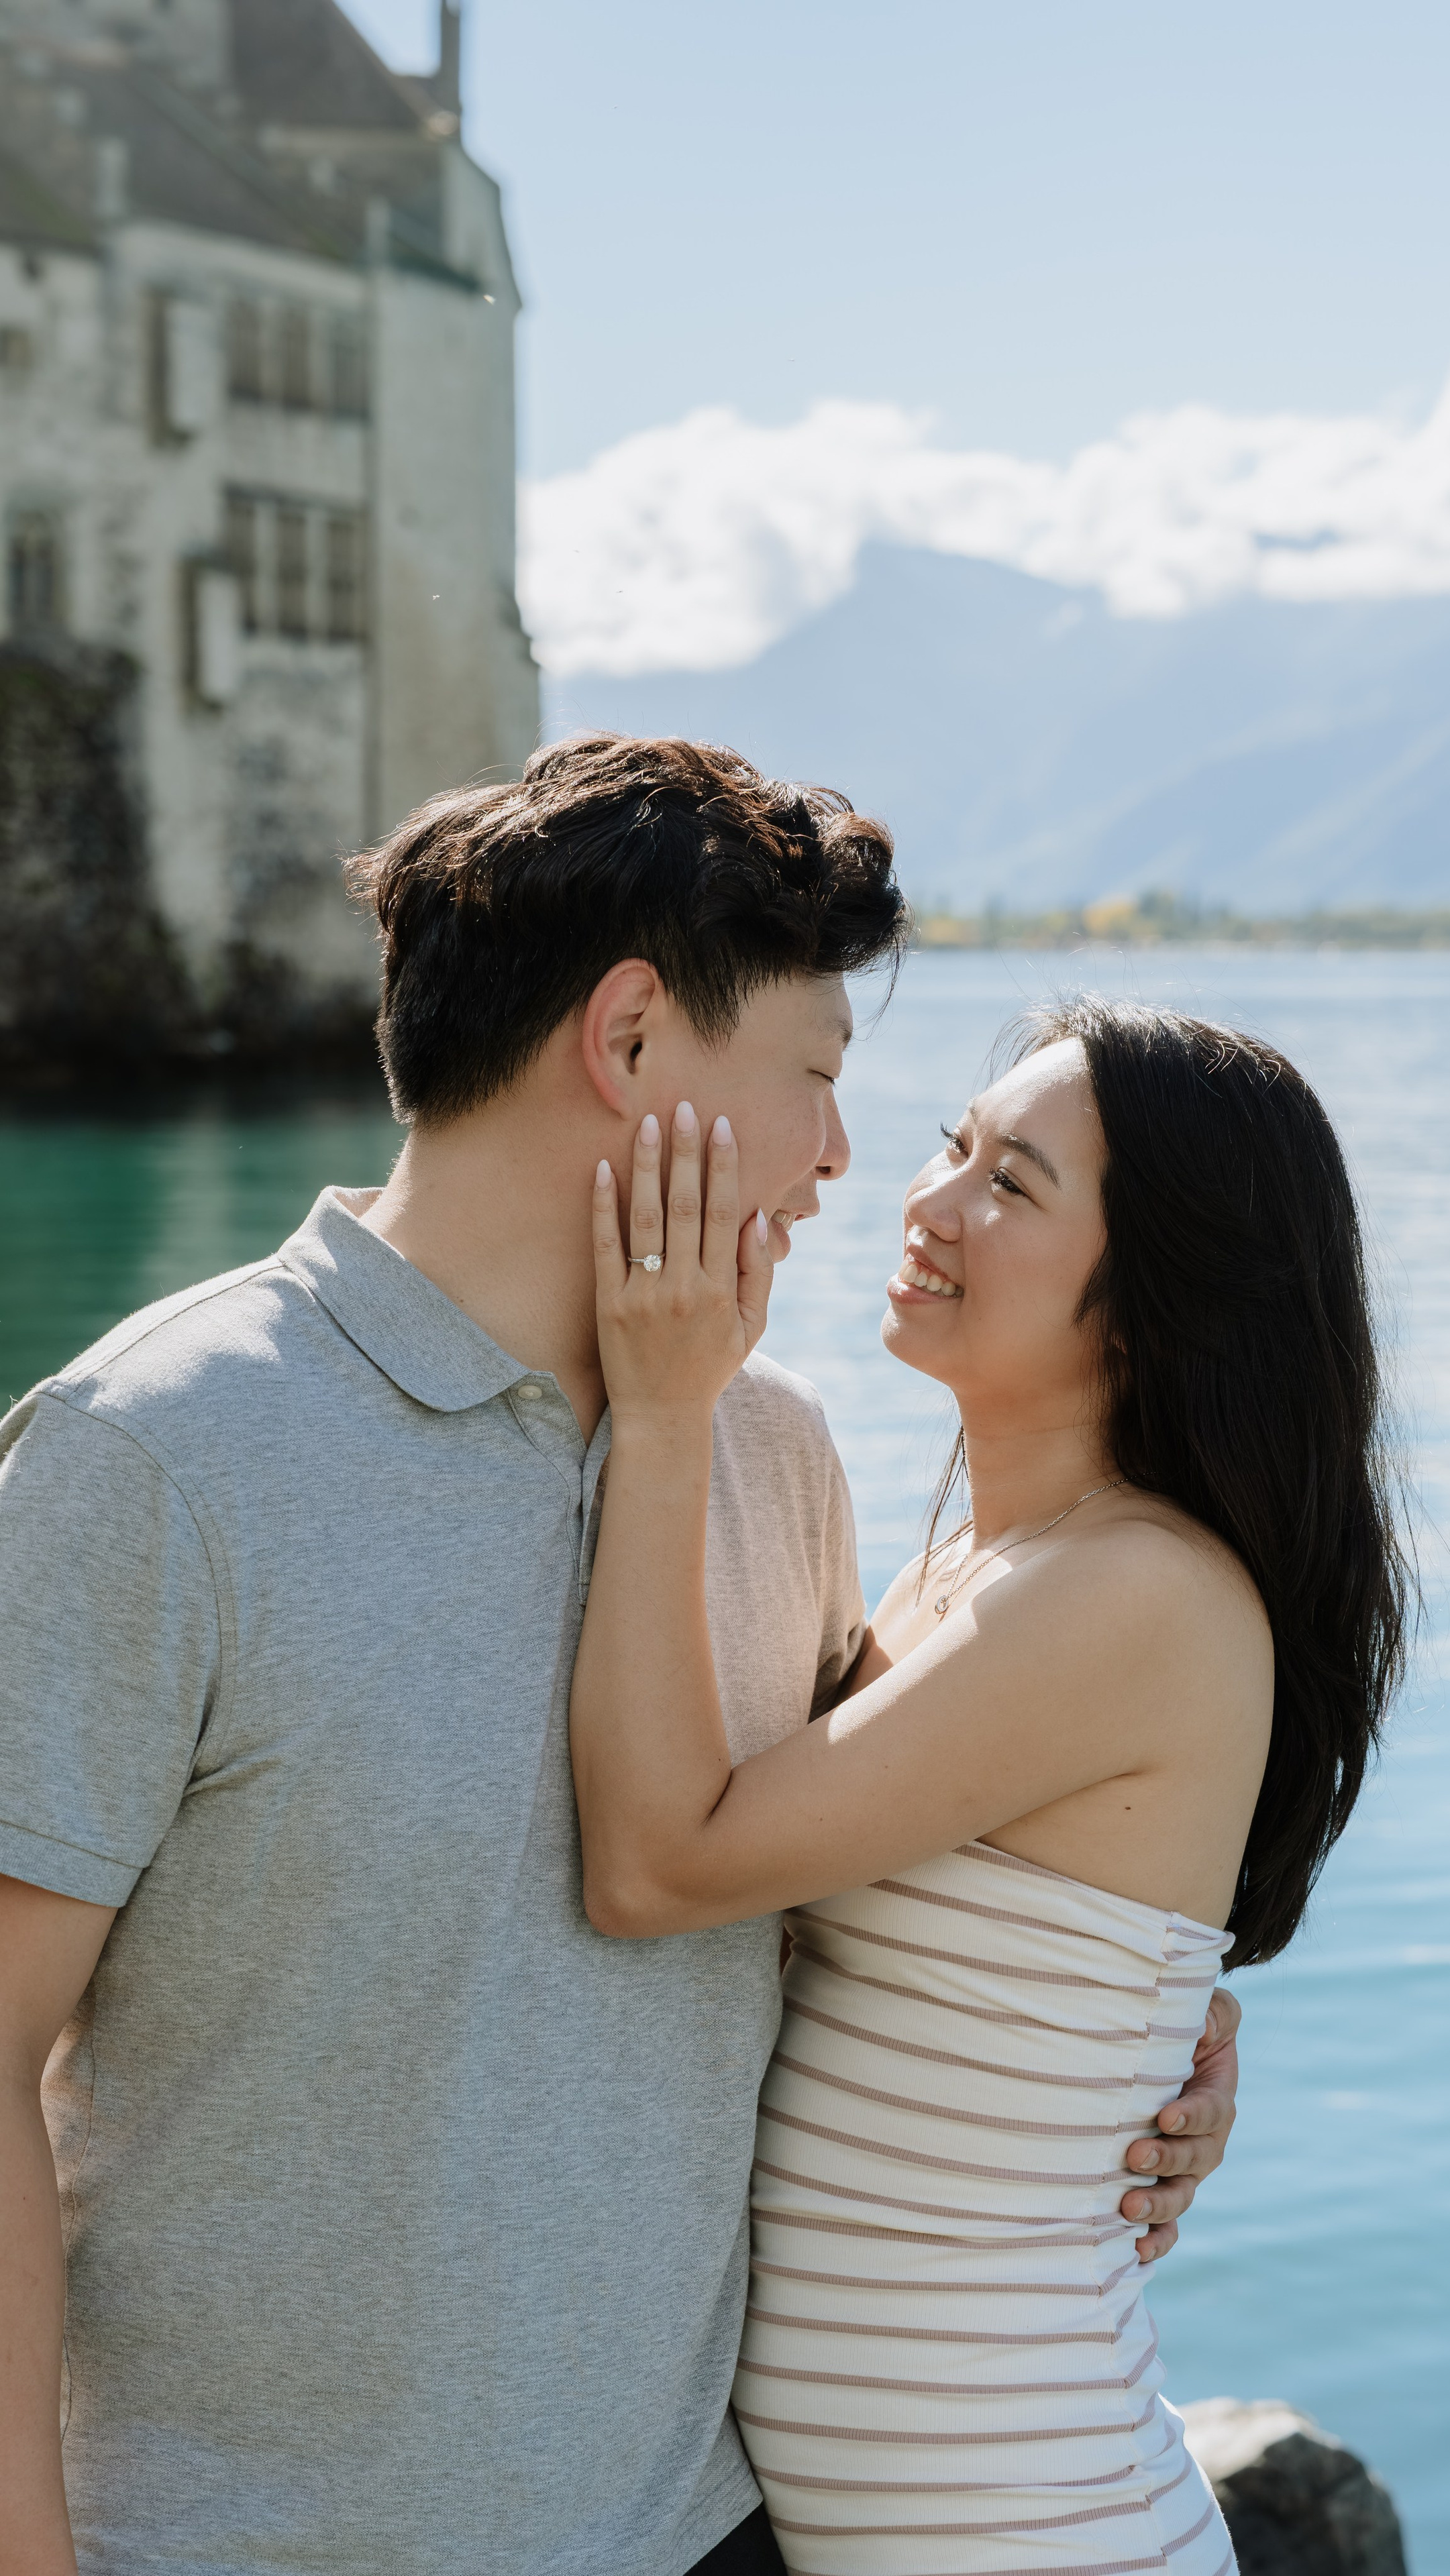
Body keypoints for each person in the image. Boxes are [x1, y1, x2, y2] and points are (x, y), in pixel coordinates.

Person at [0, 737, 1239, 2576]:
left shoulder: (771, 1450)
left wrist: (1129, 2042)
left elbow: (847, 1890)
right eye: (818, 1075)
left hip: (700, 2534)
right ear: (634, 1037)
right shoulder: (157, 1456)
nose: (843, 1158)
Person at [568, 995, 1414, 2575]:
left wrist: (666, 1409)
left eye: (1010, 1185)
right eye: (952, 1147)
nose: (929, 1200)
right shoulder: (972, 1572)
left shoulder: (1134, 1593)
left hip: (1043, 2530)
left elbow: (654, 1867)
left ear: (1152, 1302)